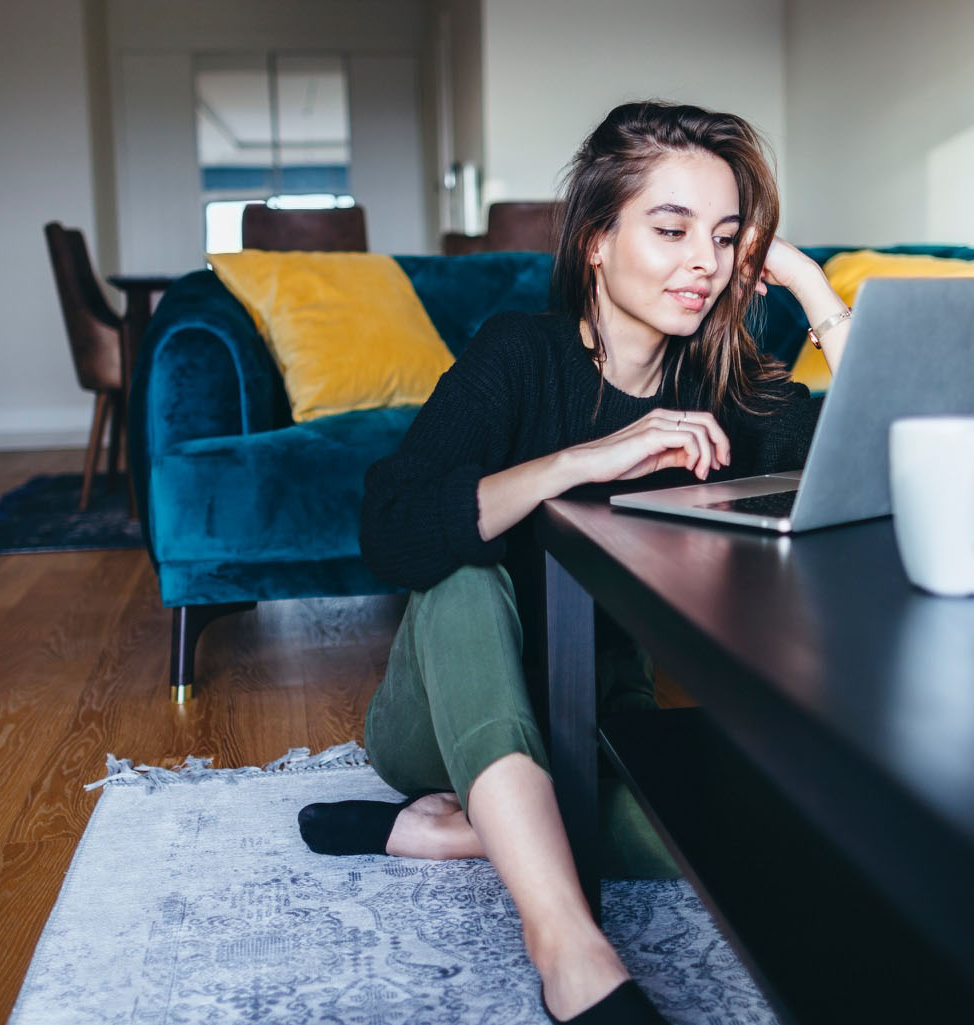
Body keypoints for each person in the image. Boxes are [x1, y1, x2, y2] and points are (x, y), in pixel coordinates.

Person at [298, 100, 854, 1025]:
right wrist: (576, 463)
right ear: (595, 239)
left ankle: (459, 833)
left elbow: (876, 457)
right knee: (464, 570)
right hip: (438, 710)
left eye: (724, 238)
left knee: (756, 834)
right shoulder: (517, 354)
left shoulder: (721, 386)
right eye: (671, 228)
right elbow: (391, 527)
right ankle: (570, 950)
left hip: (599, 718)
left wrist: (803, 280)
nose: (703, 263)